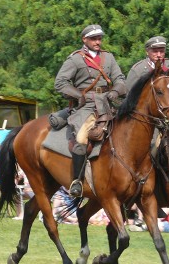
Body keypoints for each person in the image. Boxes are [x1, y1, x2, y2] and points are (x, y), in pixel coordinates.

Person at [54, 24, 126, 198]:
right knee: (81, 138)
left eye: (99, 38)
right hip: (86, 106)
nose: (97, 42)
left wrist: (115, 91)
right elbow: (60, 83)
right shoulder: (75, 59)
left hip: (109, 103)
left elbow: (120, 79)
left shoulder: (108, 57)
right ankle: (77, 181)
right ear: (84, 39)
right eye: (93, 39)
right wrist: (78, 95)